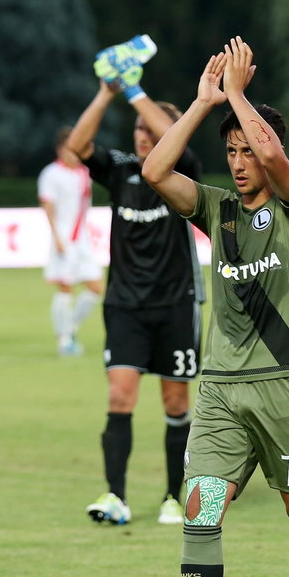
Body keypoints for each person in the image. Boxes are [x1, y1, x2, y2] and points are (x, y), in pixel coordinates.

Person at [141, 38, 289, 577]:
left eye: (247, 150)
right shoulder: (216, 208)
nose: (238, 162)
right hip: (221, 390)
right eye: (230, 152)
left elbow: (279, 164)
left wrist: (237, 93)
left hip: (285, 386)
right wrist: (204, 104)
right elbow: (155, 169)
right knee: (200, 507)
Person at [65, 44, 204, 527]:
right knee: (119, 397)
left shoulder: (183, 173)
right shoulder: (121, 170)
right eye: (138, 129)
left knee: (175, 402)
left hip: (174, 304)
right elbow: (77, 147)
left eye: (150, 128)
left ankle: (172, 496)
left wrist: (135, 90)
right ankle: (115, 496)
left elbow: (178, 143)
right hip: (125, 304)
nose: (142, 135)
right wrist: (107, 93)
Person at [37, 126, 103, 356]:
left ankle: (71, 326)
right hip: (64, 237)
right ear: (61, 149)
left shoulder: (85, 172)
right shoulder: (51, 173)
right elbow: (48, 206)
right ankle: (63, 339)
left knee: (95, 288)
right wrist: (56, 236)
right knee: (65, 288)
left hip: (82, 238)